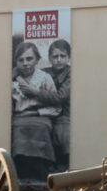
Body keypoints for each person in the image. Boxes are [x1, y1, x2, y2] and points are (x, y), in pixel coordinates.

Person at [18, 39, 71, 172]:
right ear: (49, 58)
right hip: (46, 111)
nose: (59, 60)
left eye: (62, 56)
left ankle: (60, 163)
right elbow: (26, 71)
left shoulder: (71, 74)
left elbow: (60, 97)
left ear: (69, 58)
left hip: (64, 113)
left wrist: (35, 92)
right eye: (55, 56)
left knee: (61, 133)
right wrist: (17, 76)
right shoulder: (46, 72)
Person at [11, 42, 59, 181]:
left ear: (37, 59)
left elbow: (55, 104)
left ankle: (41, 170)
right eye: (21, 60)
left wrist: (39, 112)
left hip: (41, 116)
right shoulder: (12, 80)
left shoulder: (44, 78)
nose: (25, 63)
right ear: (16, 62)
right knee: (17, 130)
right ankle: (21, 171)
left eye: (29, 59)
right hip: (19, 118)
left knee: (41, 129)